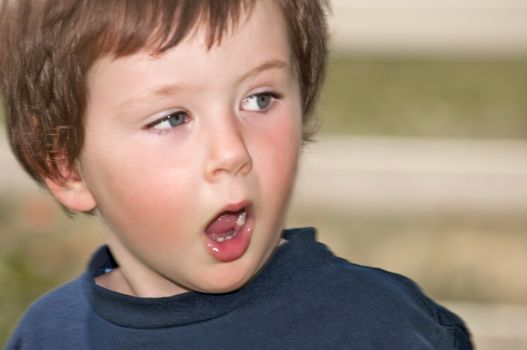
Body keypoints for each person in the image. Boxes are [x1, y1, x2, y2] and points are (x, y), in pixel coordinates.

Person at [0, 0, 472, 349]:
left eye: (260, 99)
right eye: (171, 118)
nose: (232, 151)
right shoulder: (46, 336)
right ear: (65, 166)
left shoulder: (379, 327)